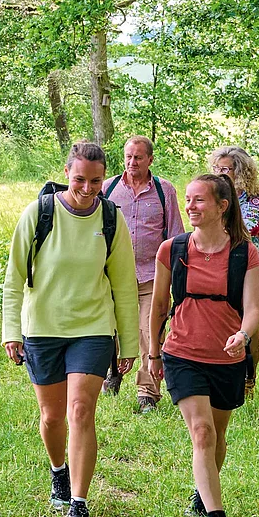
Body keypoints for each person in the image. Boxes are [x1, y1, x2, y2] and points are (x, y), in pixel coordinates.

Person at [1, 141, 142, 517]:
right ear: (67, 173)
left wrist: (127, 343)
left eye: (96, 180)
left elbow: (124, 286)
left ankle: (78, 504)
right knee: (52, 417)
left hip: (93, 328)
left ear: (105, 178)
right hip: (43, 327)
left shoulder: (111, 219)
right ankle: (58, 472)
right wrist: (11, 331)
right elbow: (14, 279)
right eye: (79, 179)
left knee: (81, 410)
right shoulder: (39, 213)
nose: (87, 187)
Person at [149, 172, 259, 517]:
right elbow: (160, 307)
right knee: (201, 433)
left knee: (216, 435)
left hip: (227, 357)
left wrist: (243, 337)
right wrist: (153, 352)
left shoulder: (244, 253)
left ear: (222, 206)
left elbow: (252, 310)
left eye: (199, 200)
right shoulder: (173, 249)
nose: (190, 206)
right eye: (187, 199)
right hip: (182, 353)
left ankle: (203, 493)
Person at [101, 135, 180, 413]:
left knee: (150, 332)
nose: (132, 162)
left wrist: (177, 278)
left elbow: (175, 236)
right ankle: (112, 373)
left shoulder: (164, 190)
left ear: (150, 160)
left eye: (138, 157)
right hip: (114, 275)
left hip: (152, 276)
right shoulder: (108, 188)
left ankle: (147, 393)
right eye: (128, 157)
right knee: (112, 328)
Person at [209, 146, 259, 312]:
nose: (219, 173)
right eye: (217, 168)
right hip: (217, 274)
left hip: (253, 273)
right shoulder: (211, 199)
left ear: (241, 171)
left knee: (251, 334)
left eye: (225, 169)